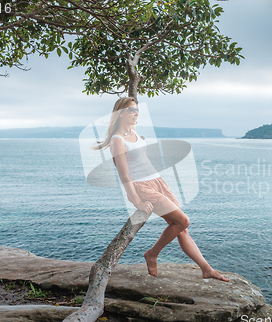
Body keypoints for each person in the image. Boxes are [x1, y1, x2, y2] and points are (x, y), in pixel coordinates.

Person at [95, 97, 229, 282]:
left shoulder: (133, 131)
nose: (136, 113)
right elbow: (124, 175)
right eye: (132, 110)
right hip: (142, 187)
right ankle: (152, 254)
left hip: (157, 181)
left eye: (137, 110)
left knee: (181, 228)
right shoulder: (117, 141)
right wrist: (136, 200)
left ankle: (206, 269)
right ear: (120, 114)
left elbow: (140, 157)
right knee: (183, 221)